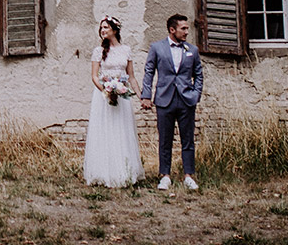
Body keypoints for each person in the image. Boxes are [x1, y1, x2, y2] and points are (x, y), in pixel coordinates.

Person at [140, 13, 203, 191]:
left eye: (187, 28)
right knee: (165, 139)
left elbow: (198, 74)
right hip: (164, 99)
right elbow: (149, 72)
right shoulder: (157, 48)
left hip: (186, 100)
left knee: (188, 139)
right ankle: (165, 175)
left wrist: (196, 94)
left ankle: (189, 175)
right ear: (172, 29)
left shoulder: (193, 50)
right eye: (183, 28)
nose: (186, 32)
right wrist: (146, 96)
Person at [82, 15, 146, 187]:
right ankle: (103, 172)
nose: (102, 30)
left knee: (121, 131)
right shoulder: (98, 51)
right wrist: (106, 91)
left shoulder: (126, 50)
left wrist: (141, 96)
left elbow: (131, 77)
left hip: (122, 94)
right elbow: (94, 76)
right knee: (104, 131)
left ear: (115, 30)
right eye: (101, 28)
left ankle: (124, 171)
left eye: (106, 27)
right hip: (104, 96)